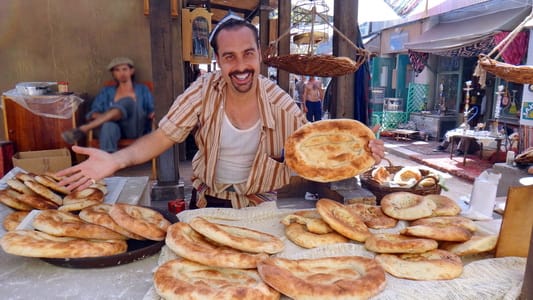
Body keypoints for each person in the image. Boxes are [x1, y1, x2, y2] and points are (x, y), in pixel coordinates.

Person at [56, 14, 385, 209]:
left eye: (248, 54)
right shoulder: (202, 92)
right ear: (218, 60)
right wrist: (115, 160)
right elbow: (163, 136)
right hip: (207, 202)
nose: (240, 66)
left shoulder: (281, 103)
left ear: (260, 55)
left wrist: (361, 151)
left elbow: (312, 155)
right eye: (229, 57)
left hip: (261, 205)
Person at [61, 57, 155, 153]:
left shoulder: (142, 90)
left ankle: (84, 129)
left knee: (128, 102)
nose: (121, 73)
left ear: (131, 71)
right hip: (115, 130)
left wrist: (152, 114)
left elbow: (152, 109)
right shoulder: (107, 92)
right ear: (113, 73)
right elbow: (93, 113)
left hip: (136, 128)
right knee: (108, 126)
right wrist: (109, 117)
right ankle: (108, 158)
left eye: (124, 69)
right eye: (117, 70)